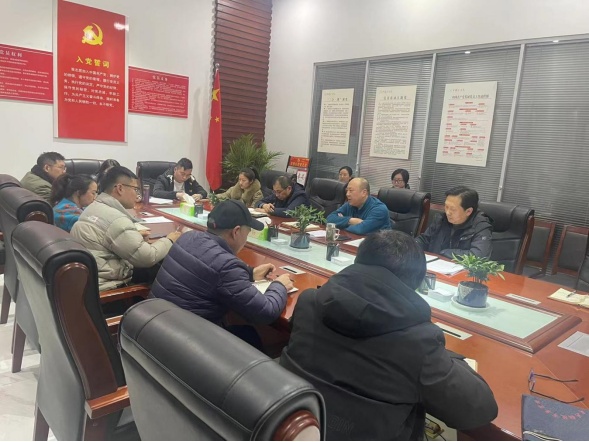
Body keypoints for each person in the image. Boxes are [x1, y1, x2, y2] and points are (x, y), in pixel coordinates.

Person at [280, 230, 498, 440]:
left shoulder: (309, 301)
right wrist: (445, 354)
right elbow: (479, 407)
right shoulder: (418, 343)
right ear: (415, 283)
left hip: (294, 427)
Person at [151, 199, 294, 344]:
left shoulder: (188, 237)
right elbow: (265, 312)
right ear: (236, 232)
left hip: (153, 325)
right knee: (250, 336)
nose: (246, 239)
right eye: (247, 232)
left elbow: (209, 270)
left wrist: (250, 274)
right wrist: (279, 286)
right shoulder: (227, 267)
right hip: (183, 343)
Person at [71, 166, 182, 290]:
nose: (138, 195)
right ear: (120, 188)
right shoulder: (116, 219)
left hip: (92, 276)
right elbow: (148, 257)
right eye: (136, 189)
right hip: (108, 284)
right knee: (169, 269)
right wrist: (170, 240)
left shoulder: (93, 207)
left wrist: (134, 237)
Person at [416, 185, 492, 259]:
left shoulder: (481, 227)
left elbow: (479, 256)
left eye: (453, 209)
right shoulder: (441, 219)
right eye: (446, 207)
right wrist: (412, 246)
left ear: (468, 211)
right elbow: (424, 240)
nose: (447, 212)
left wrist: (445, 253)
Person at [326, 177, 391, 234]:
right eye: (347, 191)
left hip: (378, 243)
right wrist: (351, 221)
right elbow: (329, 219)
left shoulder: (379, 209)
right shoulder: (350, 204)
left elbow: (361, 230)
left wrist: (341, 224)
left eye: (351, 191)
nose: (347, 194)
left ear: (364, 193)